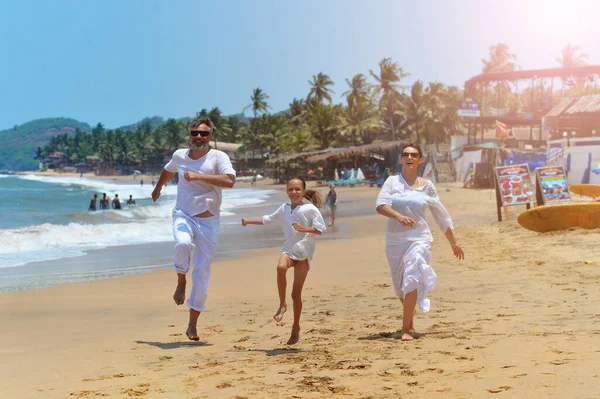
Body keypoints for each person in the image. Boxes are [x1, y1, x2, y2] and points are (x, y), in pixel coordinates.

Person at [151, 116, 236, 342]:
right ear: (190, 135)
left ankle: (192, 325)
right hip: (183, 214)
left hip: (208, 221)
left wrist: (200, 176)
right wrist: (158, 187)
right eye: (195, 133)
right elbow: (168, 170)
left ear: (210, 137)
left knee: (201, 272)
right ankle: (181, 281)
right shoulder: (180, 155)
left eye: (204, 134)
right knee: (182, 243)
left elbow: (229, 181)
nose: (199, 137)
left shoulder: (219, 157)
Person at [375, 143, 464, 342]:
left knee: (412, 276)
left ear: (420, 160)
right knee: (400, 286)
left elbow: (441, 216)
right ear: (401, 159)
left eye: (414, 155)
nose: (410, 157)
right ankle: (410, 321)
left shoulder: (427, 186)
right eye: (406, 154)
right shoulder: (392, 182)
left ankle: (405, 329)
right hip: (395, 241)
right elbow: (380, 206)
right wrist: (398, 216)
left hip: (419, 238)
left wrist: (453, 243)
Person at [241, 177, 326, 345]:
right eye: (290, 189)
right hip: (289, 248)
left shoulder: (309, 209)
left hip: (304, 252)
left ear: (303, 191)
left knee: (296, 295)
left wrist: (305, 229)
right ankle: (282, 305)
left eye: (297, 189)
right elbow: (266, 220)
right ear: (287, 191)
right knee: (280, 267)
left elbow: (321, 229)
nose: (293, 192)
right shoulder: (283, 209)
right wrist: (248, 221)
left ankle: (296, 326)